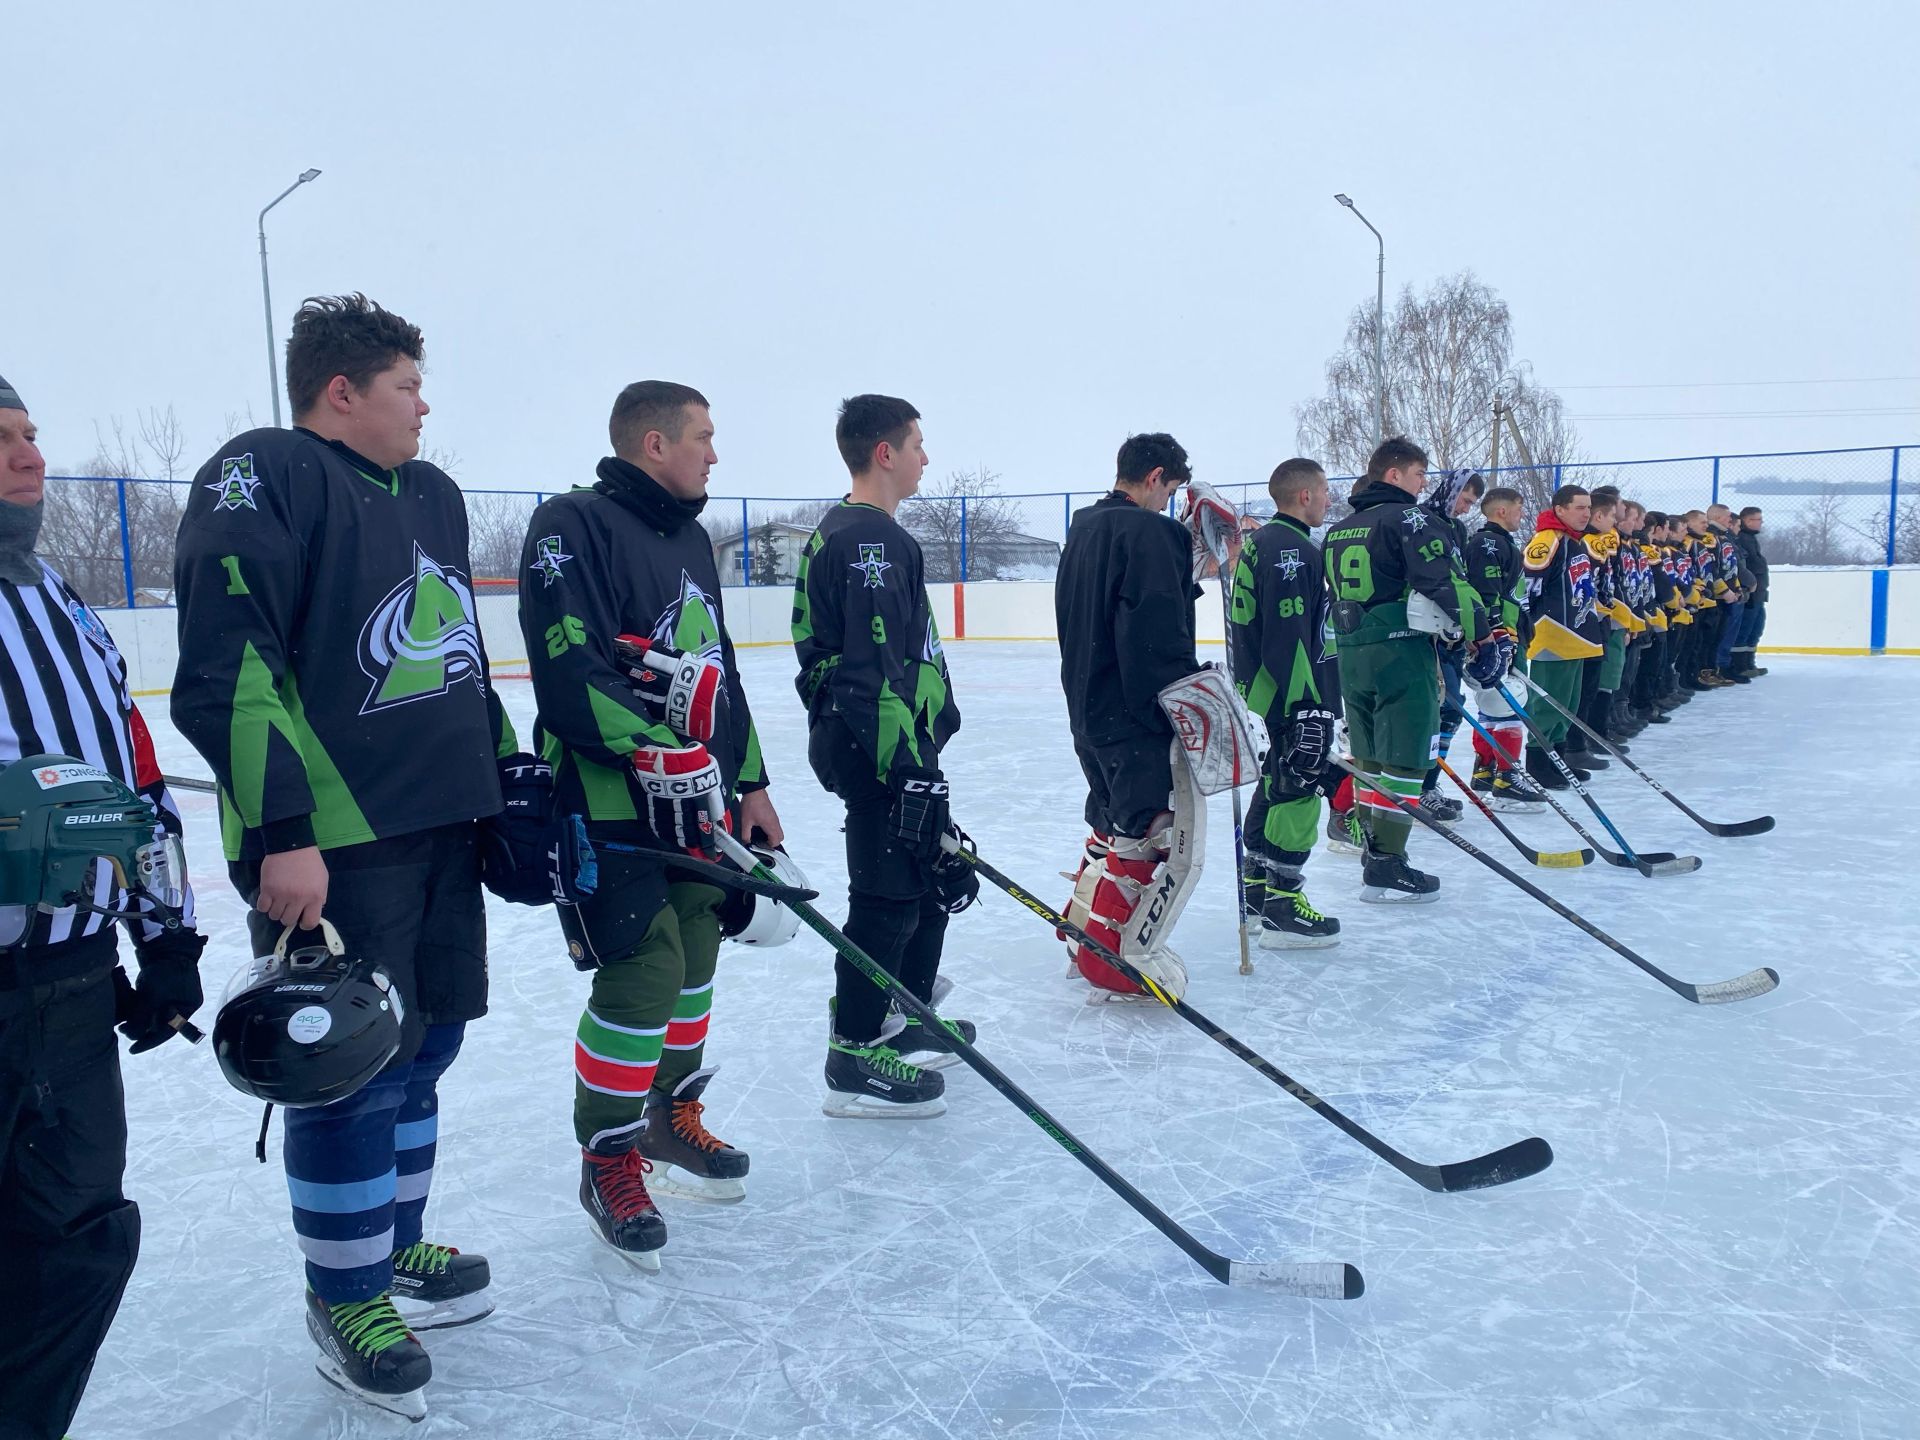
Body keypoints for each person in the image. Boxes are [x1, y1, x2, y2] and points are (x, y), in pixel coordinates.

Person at [172, 295, 515, 1421]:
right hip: (332, 841)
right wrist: (284, 831)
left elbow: (454, 647)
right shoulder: (264, 474)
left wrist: (505, 777)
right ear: (341, 391)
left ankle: (392, 1244)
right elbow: (231, 666)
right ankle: (346, 1292)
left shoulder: (433, 495)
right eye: (408, 386)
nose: (425, 405)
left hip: (439, 826)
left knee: (429, 1043)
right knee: (351, 1066)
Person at [518, 381, 781, 1262]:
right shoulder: (569, 524)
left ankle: (672, 1117)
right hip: (603, 796)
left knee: (699, 944)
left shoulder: (689, 538)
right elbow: (567, 665)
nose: (715, 453)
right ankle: (609, 1155)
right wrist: (644, 747)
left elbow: (717, 667)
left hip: (700, 793)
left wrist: (749, 779)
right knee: (646, 963)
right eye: (704, 437)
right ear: (655, 444)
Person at [0, 373, 207, 1440]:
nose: (29, 455)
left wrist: (166, 937)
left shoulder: (64, 607)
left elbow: (134, 781)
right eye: (0, 440)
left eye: (30, 434)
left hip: (72, 991)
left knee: (79, 1245)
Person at [792, 395, 973, 1117]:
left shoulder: (871, 534)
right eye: (917, 444)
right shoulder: (866, 541)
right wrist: (910, 771)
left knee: (928, 879)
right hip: (879, 751)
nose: (926, 457)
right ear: (885, 454)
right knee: (886, 896)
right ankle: (855, 1051)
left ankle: (897, 1020)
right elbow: (870, 674)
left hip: (897, 747)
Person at [1054, 432, 1203, 996]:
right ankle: (1108, 960)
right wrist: (1176, 705)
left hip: (1086, 705)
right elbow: (1155, 629)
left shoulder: (1086, 526)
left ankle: (1079, 932)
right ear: (1155, 475)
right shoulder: (1151, 530)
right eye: (1169, 490)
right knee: (1144, 831)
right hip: (1133, 712)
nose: (1168, 502)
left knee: (1110, 820)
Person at [1321, 437, 1489, 901]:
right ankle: (1387, 860)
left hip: (1353, 655)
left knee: (1371, 754)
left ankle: (1374, 851)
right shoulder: (1411, 518)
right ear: (1394, 475)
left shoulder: (1339, 528)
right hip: (1400, 650)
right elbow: (1443, 581)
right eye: (1418, 474)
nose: (1424, 484)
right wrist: (1482, 634)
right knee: (1409, 754)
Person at [1228, 458, 1341, 948]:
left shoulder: (1262, 544)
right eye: (1324, 491)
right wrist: (1307, 706)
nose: (1329, 499)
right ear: (1304, 496)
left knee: (1277, 781)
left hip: (1267, 691)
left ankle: (1255, 892)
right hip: (1295, 693)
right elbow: (1290, 636)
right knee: (1298, 786)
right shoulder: (1292, 549)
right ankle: (1282, 903)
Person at [1520, 483, 1604, 789]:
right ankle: (1538, 764)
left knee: (1567, 703)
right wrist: (1527, 626)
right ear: (1560, 509)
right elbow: (1526, 586)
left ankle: (1558, 758)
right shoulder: (1548, 540)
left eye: (1589, 507)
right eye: (1579, 507)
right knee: (1547, 703)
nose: (1587, 513)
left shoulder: (1574, 541)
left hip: (1577, 637)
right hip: (1553, 637)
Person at [1463, 486, 1543, 808]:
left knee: (1495, 703)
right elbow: (1486, 594)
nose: (1522, 514)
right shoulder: (1488, 543)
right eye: (1519, 508)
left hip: (1509, 633)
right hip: (1502, 637)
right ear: (1502, 511)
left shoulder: (1501, 543)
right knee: (1509, 703)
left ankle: (1487, 771)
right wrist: (1500, 635)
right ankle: (1505, 776)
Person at [1415, 468, 1486, 821]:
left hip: (1455, 635)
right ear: (1452, 489)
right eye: (1466, 499)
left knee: (1452, 710)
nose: (1466, 508)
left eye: (1473, 503)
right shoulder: (1422, 522)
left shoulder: (1457, 529)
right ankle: (1422, 787)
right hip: (1428, 635)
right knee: (1438, 710)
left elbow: (1463, 581)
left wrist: (1476, 628)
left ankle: (1429, 784)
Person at [1730, 507, 1769, 677]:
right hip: (1751, 594)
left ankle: (1748, 662)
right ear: (1747, 520)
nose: (1760, 523)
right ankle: (1739, 666)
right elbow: (1748, 566)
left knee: (1756, 628)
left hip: (1758, 592)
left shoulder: (1751, 539)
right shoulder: (1743, 539)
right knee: (1744, 630)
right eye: (1757, 519)